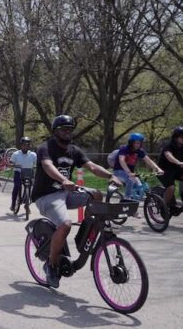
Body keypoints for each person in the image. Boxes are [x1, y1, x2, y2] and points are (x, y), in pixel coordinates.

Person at [32, 115, 121, 288]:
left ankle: (87, 233)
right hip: (46, 196)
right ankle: (51, 265)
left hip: (66, 193)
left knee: (96, 195)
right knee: (65, 224)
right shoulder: (45, 147)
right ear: (55, 131)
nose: (67, 132)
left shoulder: (74, 150)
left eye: (70, 130)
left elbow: (93, 167)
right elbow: (48, 166)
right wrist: (63, 180)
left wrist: (111, 176)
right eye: (64, 129)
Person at [112, 133, 163, 201]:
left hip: (131, 174)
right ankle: (127, 199)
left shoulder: (140, 151)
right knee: (131, 180)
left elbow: (148, 161)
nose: (137, 145)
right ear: (131, 143)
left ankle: (134, 205)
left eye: (139, 143)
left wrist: (158, 169)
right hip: (119, 172)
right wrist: (129, 172)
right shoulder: (124, 148)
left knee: (140, 187)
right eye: (135, 143)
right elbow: (122, 161)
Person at [157, 126, 183, 213]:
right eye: (182, 136)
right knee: (171, 187)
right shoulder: (168, 146)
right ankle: (163, 206)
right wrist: (178, 162)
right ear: (176, 137)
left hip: (177, 170)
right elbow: (169, 156)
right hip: (164, 170)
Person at [10, 137, 37, 211]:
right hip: (18, 172)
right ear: (21, 145)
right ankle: (13, 204)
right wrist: (13, 165)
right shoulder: (16, 154)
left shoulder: (33, 154)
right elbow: (11, 162)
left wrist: (37, 166)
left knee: (30, 189)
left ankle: (27, 203)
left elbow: (37, 163)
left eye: (27, 145)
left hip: (29, 173)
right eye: (24, 145)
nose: (26, 146)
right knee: (17, 186)